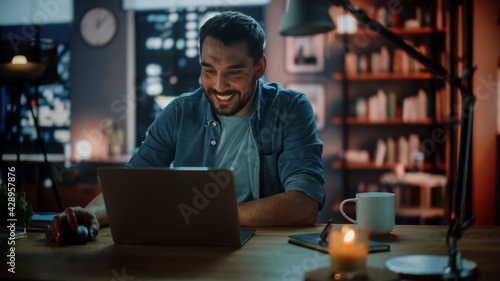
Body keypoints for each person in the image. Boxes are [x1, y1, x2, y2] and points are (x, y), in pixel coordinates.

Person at [45, 11, 325, 243]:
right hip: (194, 245)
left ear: (259, 67)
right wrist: (90, 213)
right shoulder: (180, 112)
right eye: (209, 70)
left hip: (266, 249)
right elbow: (131, 185)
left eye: (234, 72)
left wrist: (212, 214)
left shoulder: (290, 108)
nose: (219, 86)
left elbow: (304, 204)